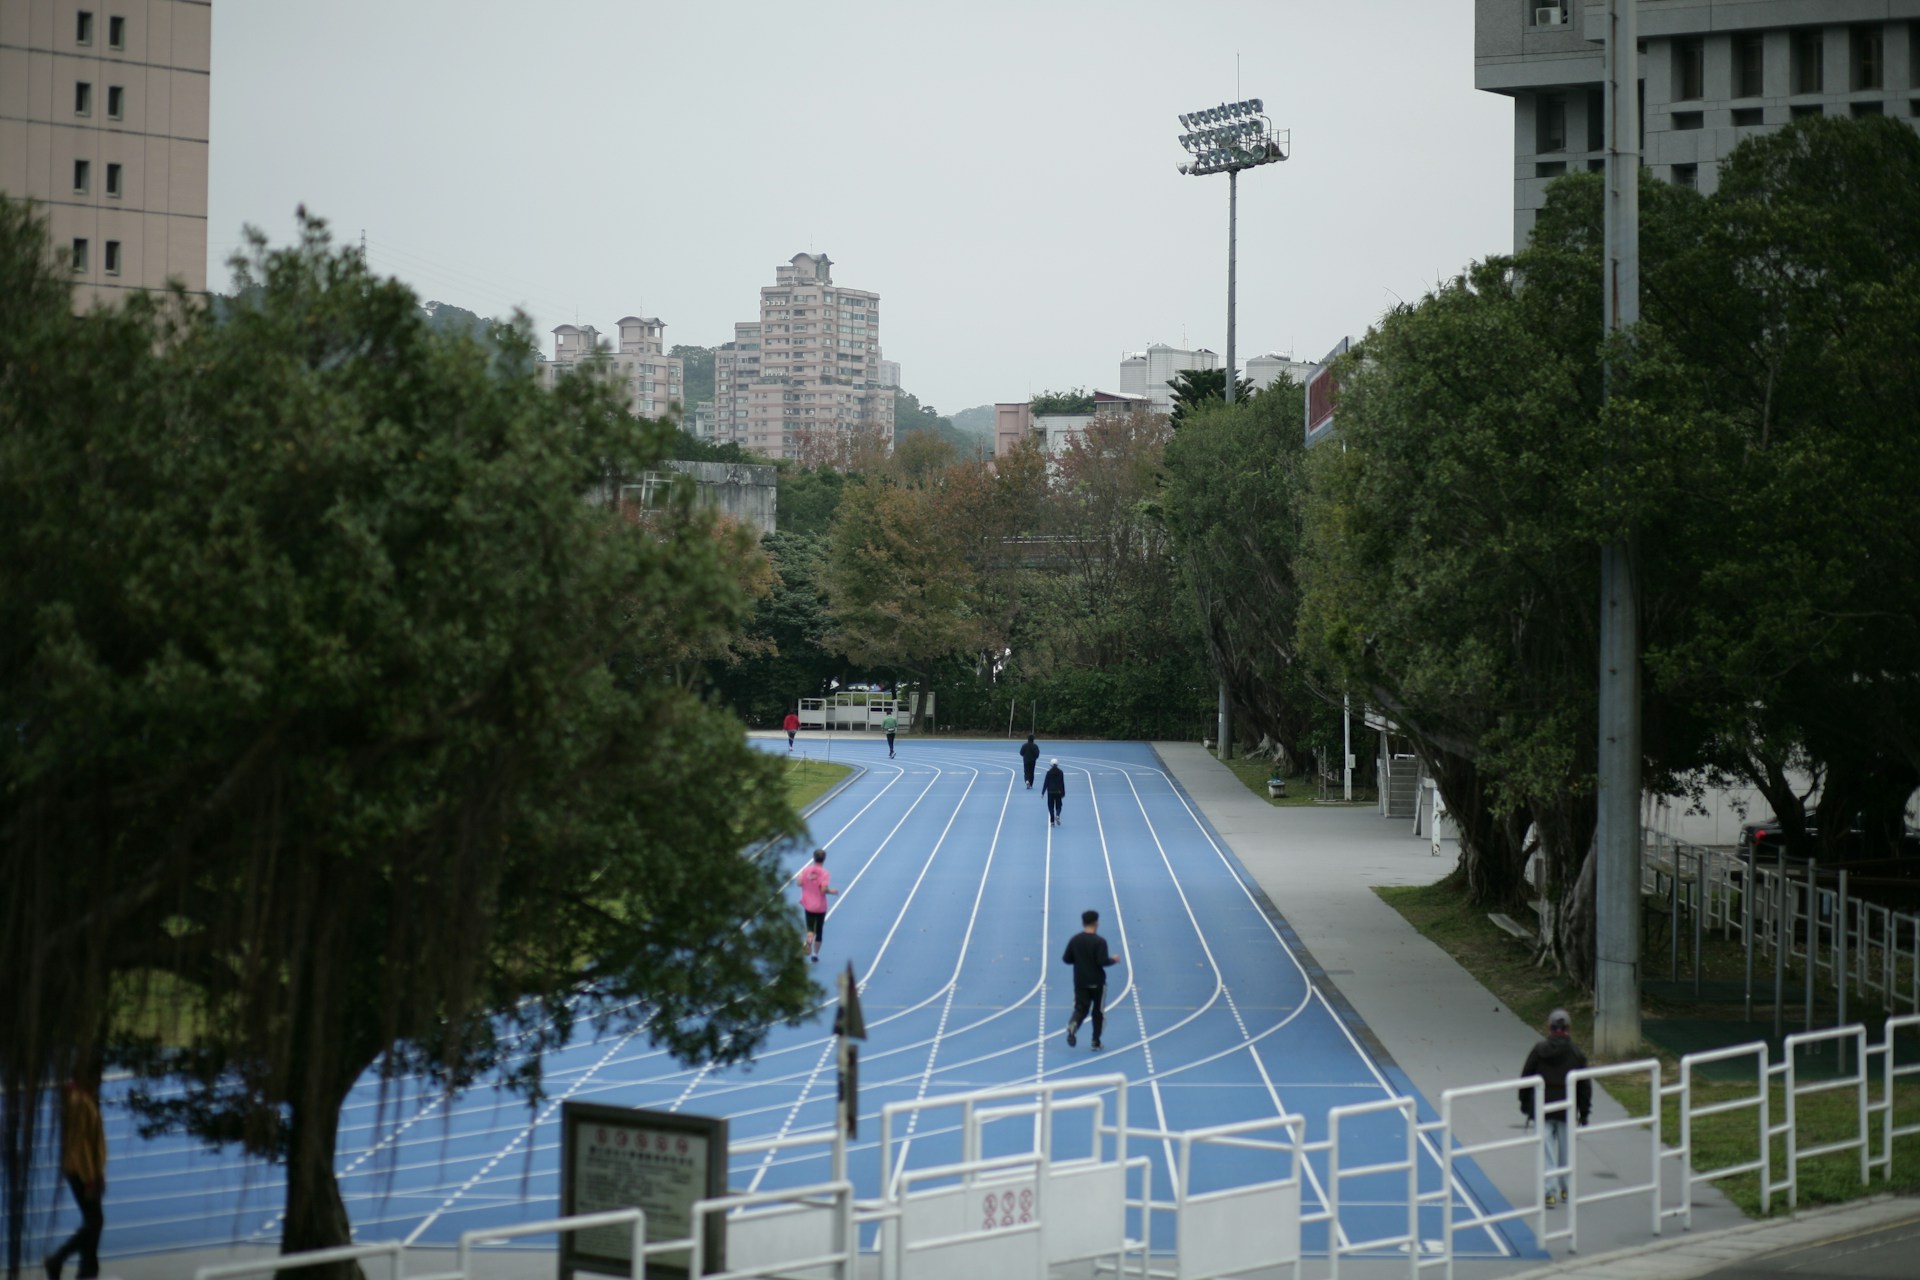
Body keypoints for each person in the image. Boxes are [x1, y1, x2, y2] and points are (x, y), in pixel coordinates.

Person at [1519, 1008, 1591, 1207]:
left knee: (1547, 1152)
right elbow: (1584, 1086)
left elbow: (1526, 1077)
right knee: (1566, 1152)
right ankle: (1566, 1189)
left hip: (1542, 1108)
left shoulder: (1539, 1050)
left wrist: (1525, 1104)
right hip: (1567, 1109)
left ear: (1549, 1028)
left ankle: (1549, 1192)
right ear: (1569, 1028)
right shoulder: (1576, 1053)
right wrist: (1584, 1113)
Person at [45, 1074, 105, 1280]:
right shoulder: (79, 1102)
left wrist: (99, 1173)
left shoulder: (79, 1098)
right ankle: (58, 1259)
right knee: (94, 1222)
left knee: (93, 1220)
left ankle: (88, 1267)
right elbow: (81, 1146)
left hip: (83, 1170)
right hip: (81, 1170)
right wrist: (90, 1178)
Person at [1062, 909, 1119, 1050]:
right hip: (1097, 982)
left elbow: (1066, 959)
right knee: (1098, 1012)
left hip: (1080, 981)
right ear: (1096, 923)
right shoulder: (1100, 941)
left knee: (1080, 1008)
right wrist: (1113, 960)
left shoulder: (1075, 940)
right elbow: (1102, 961)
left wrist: (1079, 959)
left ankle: (1073, 1024)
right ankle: (1095, 1041)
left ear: (1083, 923)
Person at [797, 847, 838, 963]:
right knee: (819, 930)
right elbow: (823, 889)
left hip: (808, 904)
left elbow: (799, 883)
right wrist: (832, 891)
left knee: (810, 929)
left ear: (813, 858)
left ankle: (808, 942)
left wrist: (800, 877)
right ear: (824, 859)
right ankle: (815, 955)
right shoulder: (825, 873)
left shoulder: (806, 870)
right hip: (820, 906)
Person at [1042, 758, 1066, 826]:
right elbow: (1062, 783)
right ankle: (1057, 815)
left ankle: (1052, 821)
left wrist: (1043, 792)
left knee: (1050, 806)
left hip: (1050, 792)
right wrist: (1063, 792)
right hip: (1058, 791)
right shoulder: (1061, 772)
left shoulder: (1049, 772)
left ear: (1051, 764)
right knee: (1059, 805)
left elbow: (1046, 782)